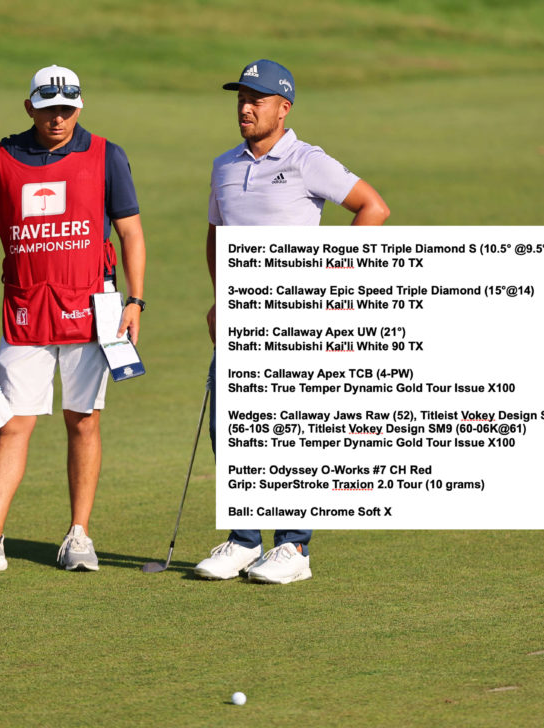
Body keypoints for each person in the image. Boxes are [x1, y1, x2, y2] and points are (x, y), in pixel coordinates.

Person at [0, 65, 147, 573]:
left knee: (83, 421)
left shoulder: (106, 155)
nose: (58, 117)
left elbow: (131, 233)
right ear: (29, 106)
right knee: (14, 423)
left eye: (67, 107)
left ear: (79, 107)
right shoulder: (1, 158)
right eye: (48, 106)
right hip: (27, 307)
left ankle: (79, 536)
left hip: (91, 307)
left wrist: (136, 301)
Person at [195, 59, 390, 584]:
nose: (245, 107)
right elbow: (218, 235)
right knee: (230, 429)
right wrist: (222, 297)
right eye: (241, 97)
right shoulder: (224, 166)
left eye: (257, 99)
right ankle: (242, 540)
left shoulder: (307, 161)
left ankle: (293, 548)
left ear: (284, 109)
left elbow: (373, 207)